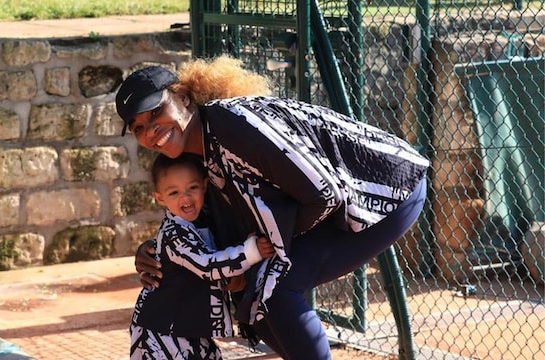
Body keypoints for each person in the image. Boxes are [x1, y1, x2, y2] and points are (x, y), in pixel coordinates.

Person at [116, 56, 429, 359]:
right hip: (336, 204)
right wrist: (158, 251)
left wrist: (265, 249)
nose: (150, 131)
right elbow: (204, 222)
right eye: (138, 128)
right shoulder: (193, 153)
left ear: (183, 97)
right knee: (254, 296)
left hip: (384, 189)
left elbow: (325, 194)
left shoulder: (231, 124)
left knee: (273, 285)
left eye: (155, 113)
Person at [130, 152, 276, 359]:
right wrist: (252, 251)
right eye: (174, 193)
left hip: (192, 328)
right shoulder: (175, 233)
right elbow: (207, 265)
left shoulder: (202, 223)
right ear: (160, 198)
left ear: (204, 186)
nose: (185, 197)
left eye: (192, 188)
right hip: (161, 330)